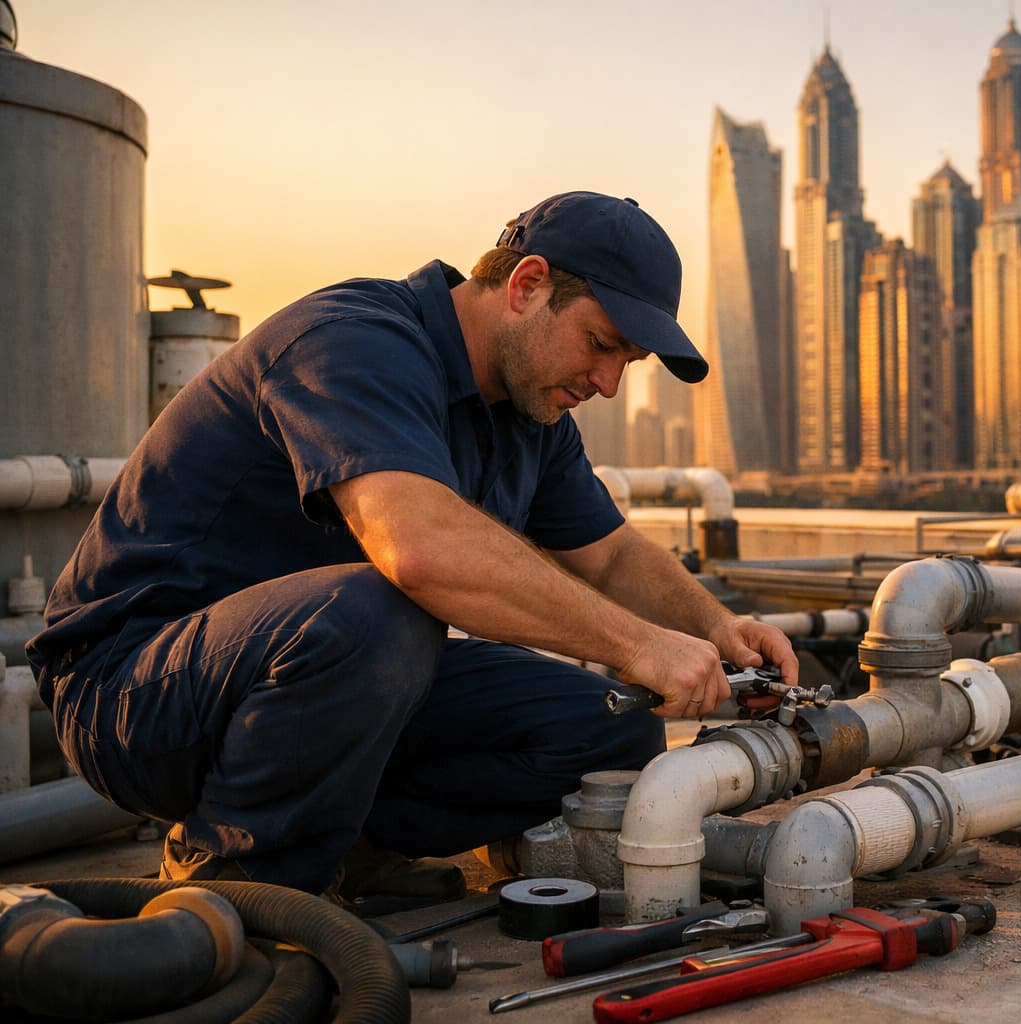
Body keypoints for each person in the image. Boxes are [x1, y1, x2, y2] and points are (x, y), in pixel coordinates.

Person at [27, 191, 797, 909]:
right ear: (526, 285)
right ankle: (233, 883)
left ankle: (344, 841)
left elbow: (614, 555)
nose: (605, 384)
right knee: (381, 607)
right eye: (601, 345)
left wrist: (714, 628)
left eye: (625, 363)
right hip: (132, 689)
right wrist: (637, 645)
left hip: (329, 683)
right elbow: (418, 550)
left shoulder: (535, 421)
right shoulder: (356, 339)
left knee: (613, 728)